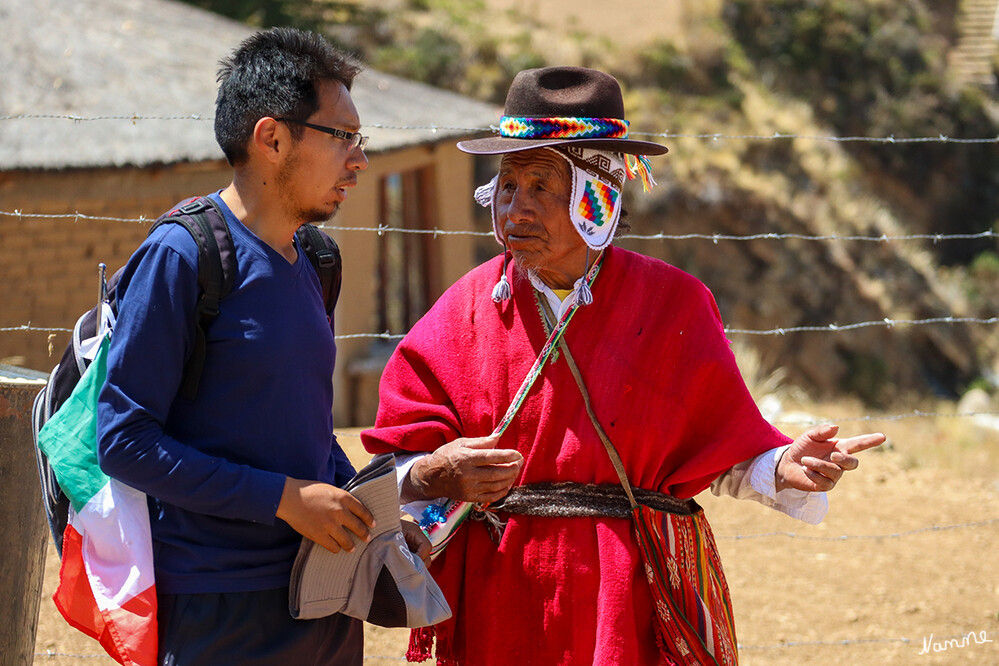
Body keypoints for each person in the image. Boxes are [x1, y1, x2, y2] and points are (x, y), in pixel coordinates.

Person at [361, 66, 886, 666]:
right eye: (508, 185)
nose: (516, 208)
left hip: (629, 589)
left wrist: (782, 465)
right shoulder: (465, 308)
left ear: (597, 195)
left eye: (541, 185)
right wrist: (433, 472)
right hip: (501, 589)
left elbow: (716, 445)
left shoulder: (672, 304)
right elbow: (399, 456)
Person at [97, 27, 427, 665]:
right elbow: (124, 441)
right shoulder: (183, 256)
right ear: (273, 138)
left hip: (322, 597)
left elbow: (302, 427)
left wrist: (366, 513)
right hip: (219, 609)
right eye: (343, 138)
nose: (359, 160)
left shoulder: (317, 261)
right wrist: (283, 500)